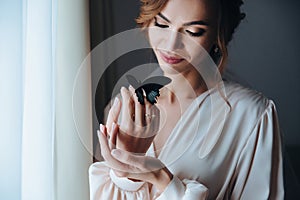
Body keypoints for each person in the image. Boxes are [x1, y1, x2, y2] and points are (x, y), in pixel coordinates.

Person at [89, 0, 284, 199]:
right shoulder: (121, 109)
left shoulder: (252, 115)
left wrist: (163, 179)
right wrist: (126, 175)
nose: (172, 44)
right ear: (148, 22)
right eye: (162, 25)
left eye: (193, 31)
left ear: (218, 37)